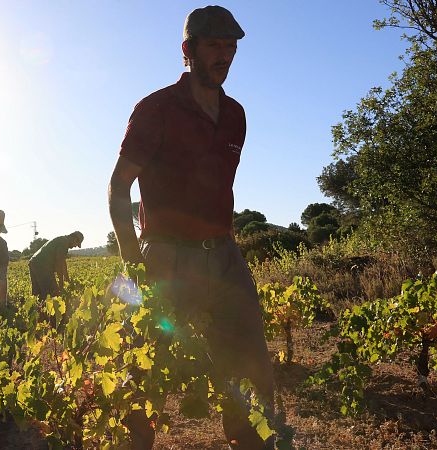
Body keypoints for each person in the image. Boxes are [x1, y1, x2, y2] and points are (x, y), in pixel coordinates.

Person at [108, 6, 274, 450]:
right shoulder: (156, 108)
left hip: (223, 253)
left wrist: (226, 248)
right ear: (189, 50)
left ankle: (249, 441)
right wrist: (133, 259)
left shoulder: (236, 114)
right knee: (148, 369)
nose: (225, 56)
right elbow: (119, 187)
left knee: (251, 361)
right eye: (215, 46)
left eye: (232, 47)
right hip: (166, 255)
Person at [28, 231, 84, 300]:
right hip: (42, 266)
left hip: (34, 262)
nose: (75, 246)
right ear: (75, 239)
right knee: (53, 294)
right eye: (77, 244)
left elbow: (63, 262)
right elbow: (59, 264)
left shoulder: (62, 240)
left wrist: (67, 278)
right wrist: (61, 282)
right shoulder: (64, 242)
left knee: (37, 294)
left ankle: (38, 309)